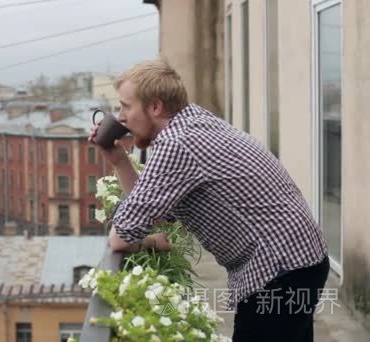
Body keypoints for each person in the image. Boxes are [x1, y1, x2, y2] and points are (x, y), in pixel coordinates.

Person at [88, 56, 329, 341]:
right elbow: (158, 213)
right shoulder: (193, 121)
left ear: (155, 106)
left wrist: (148, 242)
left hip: (279, 269)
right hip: (300, 260)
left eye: (125, 106)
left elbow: (122, 235)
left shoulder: (176, 144)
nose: (120, 117)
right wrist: (120, 161)